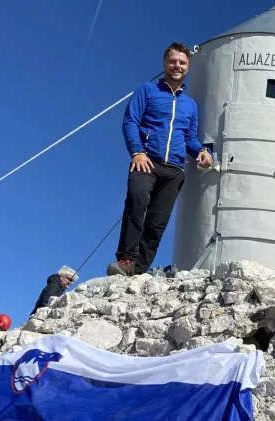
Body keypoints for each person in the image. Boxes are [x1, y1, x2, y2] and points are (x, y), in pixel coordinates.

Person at [107, 42, 213, 277]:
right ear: (165, 63)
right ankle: (126, 259)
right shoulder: (147, 90)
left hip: (175, 168)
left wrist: (202, 152)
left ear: (188, 67)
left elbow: (189, 138)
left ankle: (139, 268)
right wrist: (137, 151)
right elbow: (130, 121)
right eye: (173, 61)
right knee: (136, 201)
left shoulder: (191, 105)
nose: (177, 66)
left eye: (182, 62)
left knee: (158, 222)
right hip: (146, 160)